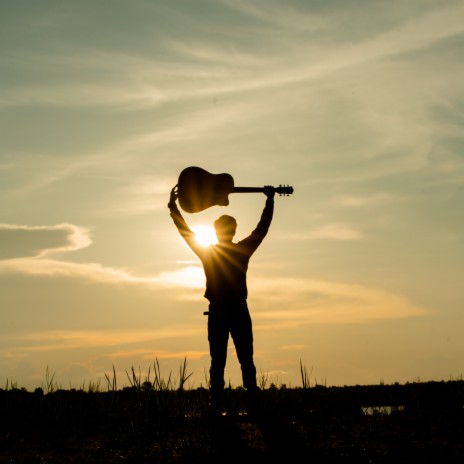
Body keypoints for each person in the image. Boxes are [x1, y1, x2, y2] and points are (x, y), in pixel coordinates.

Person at [168, 184, 275, 414]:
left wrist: (173, 208)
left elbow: (185, 232)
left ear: (217, 232)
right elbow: (261, 229)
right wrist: (269, 201)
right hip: (234, 311)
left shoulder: (209, 253)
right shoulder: (241, 250)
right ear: (233, 231)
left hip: (221, 312)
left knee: (220, 363)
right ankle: (250, 405)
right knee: (243, 361)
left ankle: (218, 406)